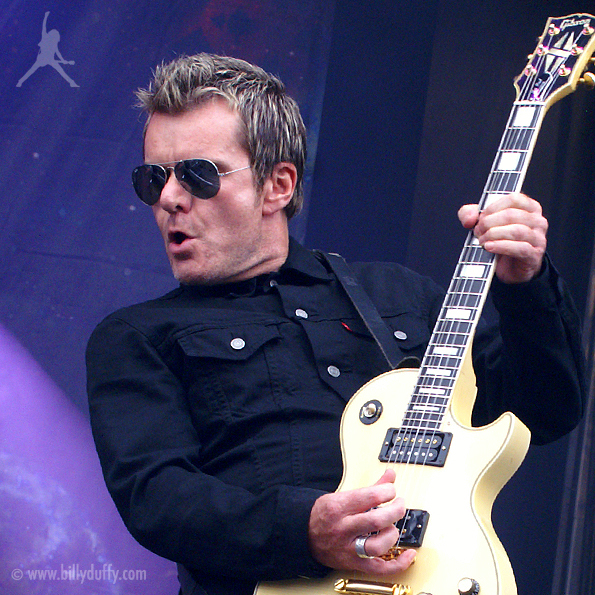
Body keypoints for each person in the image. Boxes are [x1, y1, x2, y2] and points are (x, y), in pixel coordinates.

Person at [86, 54, 585, 595]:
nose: (168, 198)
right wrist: (302, 530)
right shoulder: (137, 336)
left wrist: (525, 285)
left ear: (278, 186)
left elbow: (546, 412)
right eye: (152, 179)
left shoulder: (399, 295)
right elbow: (157, 498)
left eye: (198, 175)